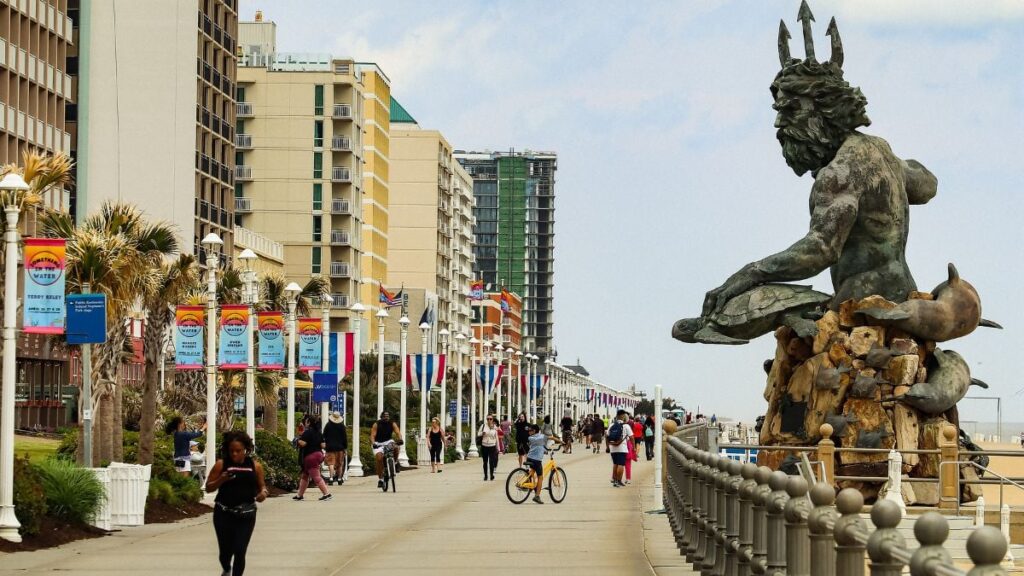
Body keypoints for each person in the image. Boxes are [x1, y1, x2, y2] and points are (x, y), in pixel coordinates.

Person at [205, 431, 267, 576]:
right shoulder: (221, 464)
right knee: (225, 553)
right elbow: (208, 488)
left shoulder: (255, 466)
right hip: (223, 514)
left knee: (240, 550)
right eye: (231, 451)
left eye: (238, 451)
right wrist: (221, 479)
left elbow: (262, 486)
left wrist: (263, 493)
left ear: (245, 449)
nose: (234, 454)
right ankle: (226, 568)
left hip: (246, 514)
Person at [294, 415, 331, 501]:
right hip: (318, 454)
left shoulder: (307, 432)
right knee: (305, 475)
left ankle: (326, 494)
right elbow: (323, 445)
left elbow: (303, 444)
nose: (305, 423)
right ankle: (300, 495)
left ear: (309, 422)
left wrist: (297, 440)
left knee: (316, 476)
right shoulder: (319, 432)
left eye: (306, 421)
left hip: (310, 456)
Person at [525, 422, 561, 504]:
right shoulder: (542, 437)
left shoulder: (530, 438)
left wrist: (544, 451)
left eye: (530, 430)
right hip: (537, 460)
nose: (529, 432)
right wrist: (561, 442)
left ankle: (529, 482)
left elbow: (537, 446)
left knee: (532, 471)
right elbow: (552, 438)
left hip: (529, 457)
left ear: (534, 431)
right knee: (540, 477)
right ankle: (537, 496)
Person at [371, 410, 402, 489]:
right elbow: (372, 435)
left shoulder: (392, 423)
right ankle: (381, 479)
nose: (386, 418)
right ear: (381, 417)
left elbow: (398, 432)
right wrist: (373, 443)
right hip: (378, 443)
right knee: (379, 458)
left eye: (388, 416)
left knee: (396, 447)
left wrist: (400, 439)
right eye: (385, 416)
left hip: (388, 441)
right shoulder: (376, 424)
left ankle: (395, 462)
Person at [608, 410, 634, 487]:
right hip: (622, 447)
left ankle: (614, 479)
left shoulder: (611, 425)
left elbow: (607, 435)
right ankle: (619, 480)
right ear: (623, 416)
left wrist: (607, 447)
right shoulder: (626, 426)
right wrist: (633, 447)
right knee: (621, 464)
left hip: (613, 447)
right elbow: (631, 437)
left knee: (615, 464)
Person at [322, 411, 348, 485]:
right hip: (340, 447)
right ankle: (339, 479)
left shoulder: (328, 425)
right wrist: (345, 448)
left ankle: (331, 478)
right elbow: (344, 438)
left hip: (330, 447)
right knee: (339, 464)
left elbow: (324, 436)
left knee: (331, 463)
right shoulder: (342, 426)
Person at [478, 414, 500, 481]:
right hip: (484, 446)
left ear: (493, 420)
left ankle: (491, 475)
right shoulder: (483, 426)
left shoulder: (495, 427)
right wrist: (482, 433)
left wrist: (498, 447)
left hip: (492, 446)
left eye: (490, 419)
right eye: (487, 419)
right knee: (485, 462)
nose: (489, 420)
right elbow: (478, 434)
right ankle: (485, 476)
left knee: (491, 461)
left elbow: (496, 438)